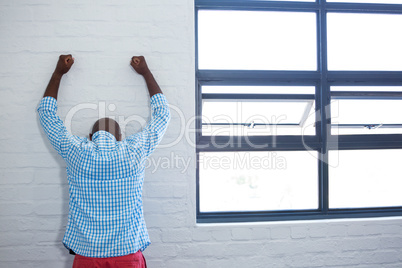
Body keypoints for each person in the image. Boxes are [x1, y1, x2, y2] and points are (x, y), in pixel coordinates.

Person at [37, 54, 171, 267]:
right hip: (128, 253)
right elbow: (163, 114)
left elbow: (46, 115)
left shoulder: (76, 151)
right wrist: (145, 72)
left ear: (90, 137)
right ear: (120, 138)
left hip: (87, 256)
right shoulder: (133, 150)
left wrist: (58, 73)